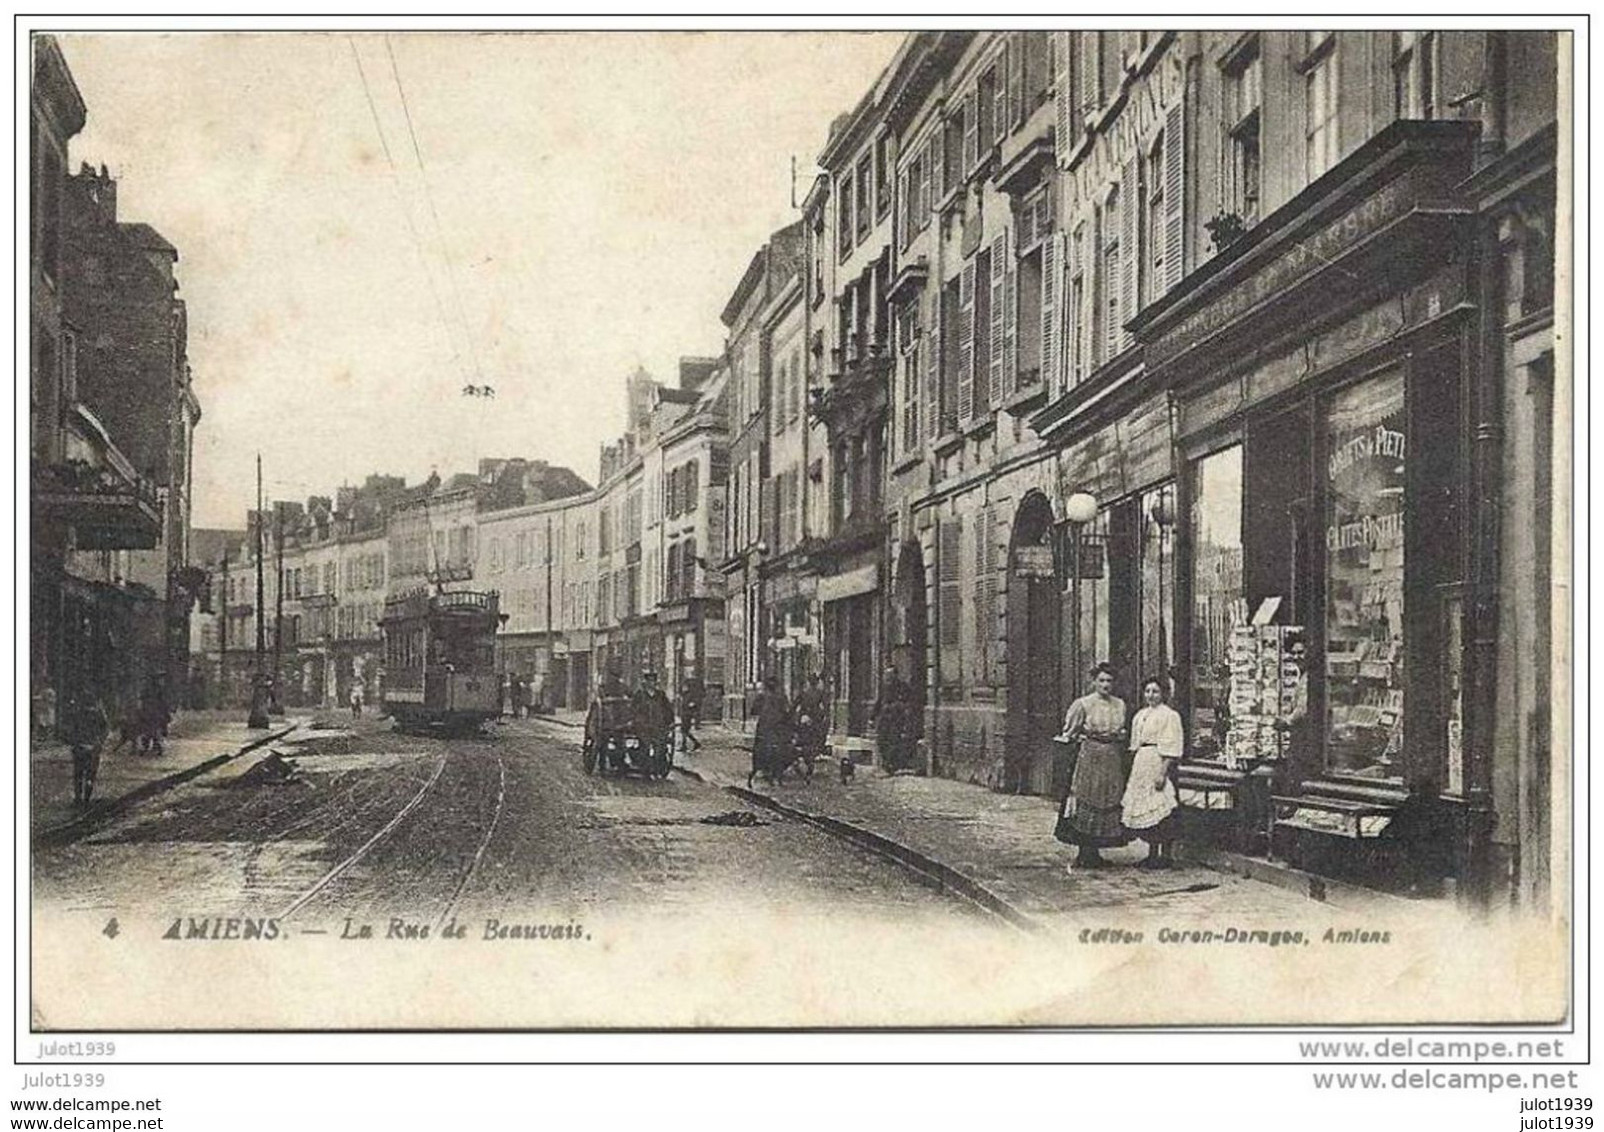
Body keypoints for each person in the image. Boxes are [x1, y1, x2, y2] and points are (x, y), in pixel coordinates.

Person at [1054, 662, 1130, 869]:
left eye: (1109, 681)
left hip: (1112, 756)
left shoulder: (1120, 704)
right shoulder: (1083, 704)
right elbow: (1069, 732)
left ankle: (1096, 850)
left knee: (1108, 798)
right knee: (1088, 797)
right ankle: (1084, 851)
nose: (1106, 685)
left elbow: (1123, 730)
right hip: (1090, 755)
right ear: (1094, 682)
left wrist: (1119, 736)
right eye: (1102, 680)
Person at [1123, 676, 1184, 869]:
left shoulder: (1169, 715)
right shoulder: (1140, 715)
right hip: (1143, 762)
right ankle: (1151, 853)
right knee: (1146, 806)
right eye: (1148, 691)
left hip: (1159, 761)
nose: (1151, 695)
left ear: (1163, 693)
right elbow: (1135, 744)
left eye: (1155, 691)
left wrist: (1162, 772)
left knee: (1161, 806)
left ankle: (1165, 855)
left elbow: (1172, 747)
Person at [65, 694, 109, 808]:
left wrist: (74, 742)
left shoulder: (78, 714)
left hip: (81, 746)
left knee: (79, 774)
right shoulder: (99, 714)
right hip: (92, 747)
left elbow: (71, 730)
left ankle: (79, 798)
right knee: (90, 774)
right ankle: (86, 798)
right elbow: (105, 729)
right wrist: (100, 741)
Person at [749, 675, 792, 788]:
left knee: (761, 748)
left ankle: (762, 769)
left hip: (764, 727)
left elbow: (753, 711)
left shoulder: (761, 696)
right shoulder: (782, 697)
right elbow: (787, 712)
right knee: (779, 749)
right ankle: (777, 774)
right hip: (778, 727)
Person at [632, 670, 676, 771]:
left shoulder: (660, 695)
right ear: (645, 682)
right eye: (649, 681)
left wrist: (670, 721)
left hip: (658, 725)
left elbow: (668, 708)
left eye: (653, 681)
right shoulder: (640, 695)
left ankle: (658, 766)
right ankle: (644, 766)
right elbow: (633, 709)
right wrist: (636, 719)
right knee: (645, 746)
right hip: (643, 726)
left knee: (660, 746)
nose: (651, 683)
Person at [873, 663, 911, 774]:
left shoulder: (903, 687)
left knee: (894, 741)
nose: (887, 677)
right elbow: (879, 702)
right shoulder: (884, 688)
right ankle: (886, 762)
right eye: (886, 675)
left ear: (895, 675)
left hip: (896, 718)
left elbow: (907, 703)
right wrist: (872, 717)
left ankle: (890, 765)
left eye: (890, 675)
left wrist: (897, 707)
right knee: (881, 740)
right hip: (884, 718)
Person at [795, 673, 829, 771]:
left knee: (804, 736)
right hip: (815, 718)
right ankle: (814, 753)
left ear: (809, 682)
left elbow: (796, 705)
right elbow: (825, 706)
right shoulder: (820, 693)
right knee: (816, 736)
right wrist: (823, 715)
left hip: (805, 717)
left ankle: (805, 751)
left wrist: (798, 716)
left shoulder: (804, 692)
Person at [678, 674, 704, 753]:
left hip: (687, 713)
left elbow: (694, 704)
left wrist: (691, 706)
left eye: (685, 686)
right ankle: (686, 744)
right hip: (684, 712)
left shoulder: (690, 695)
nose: (684, 688)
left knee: (684, 730)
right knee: (684, 730)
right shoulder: (685, 695)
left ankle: (693, 743)